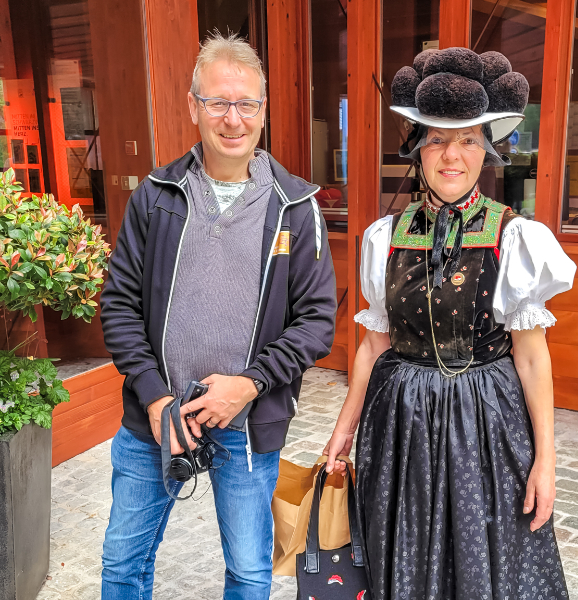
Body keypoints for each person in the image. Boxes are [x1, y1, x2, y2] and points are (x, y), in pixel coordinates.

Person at [323, 47, 576, 599]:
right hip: (402, 424)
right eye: (437, 138)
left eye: (466, 140)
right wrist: (343, 433)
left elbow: (531, 358)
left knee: (485, 558)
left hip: (485, 426)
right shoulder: (385, 237)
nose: (451, 154)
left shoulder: (514, 237)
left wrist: (547, 462)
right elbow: (372, 347)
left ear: (486, 150)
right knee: (403, 550)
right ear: (417, 148)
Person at [99, 32, 337, 600]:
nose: (233, 119)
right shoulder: (156, 196)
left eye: (246, 104)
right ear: (193, 106)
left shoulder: (296, 209)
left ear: (263, 111)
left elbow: (317, 320)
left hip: (247, 424)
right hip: (153, 418)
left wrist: (248, 385)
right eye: (218, 102)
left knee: (250, 573)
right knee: (121, 566)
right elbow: (119, 304)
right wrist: (156, 399)